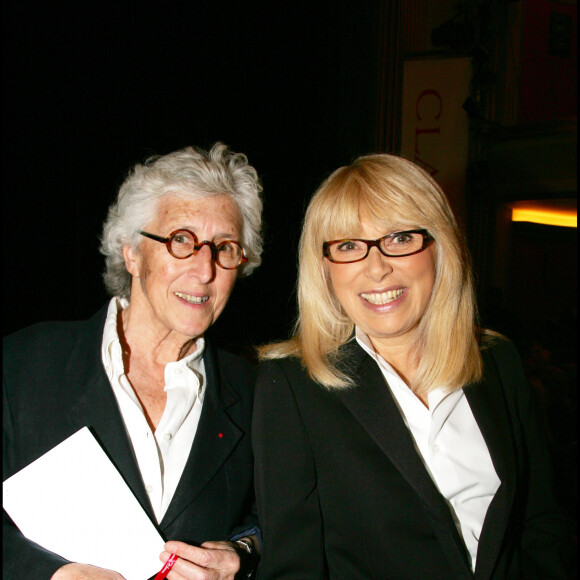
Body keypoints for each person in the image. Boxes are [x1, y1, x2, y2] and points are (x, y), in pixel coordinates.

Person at [252, 153, 574, 579]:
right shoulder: (292, 386)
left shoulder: (498, 361)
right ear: (325, 268)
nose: (376, 267)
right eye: (348, 246)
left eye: (400, 238)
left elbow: (540, 523)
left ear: (439, 247)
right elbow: (294, 570)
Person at [3, 143, 263, 579]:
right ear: (132, 252)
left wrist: (244, 555)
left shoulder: (255, 393)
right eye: (182, 240)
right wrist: (47, 574)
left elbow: (280, 525)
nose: (204, 270)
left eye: (225, 247)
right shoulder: (22, 365)